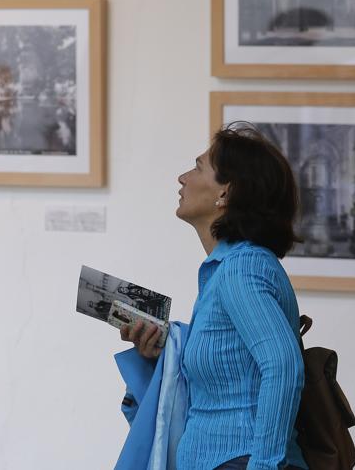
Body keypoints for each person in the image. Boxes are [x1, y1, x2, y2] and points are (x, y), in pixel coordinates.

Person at [122, 124, 306, 470]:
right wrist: (161, 352)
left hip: (238, 459)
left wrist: (264, 466)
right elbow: (232, 373)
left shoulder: (242, 267)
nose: (183, 177)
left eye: (197, 167)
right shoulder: (223, 269)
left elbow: (282, 365)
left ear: (226, 193)